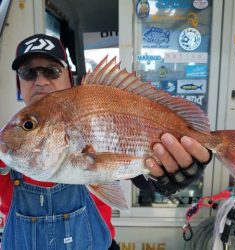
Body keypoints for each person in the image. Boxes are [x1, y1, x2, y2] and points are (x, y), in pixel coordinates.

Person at [0, 34, 211, 250]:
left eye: (52, 70)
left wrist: (168, 179)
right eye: (27, 72)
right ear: (19, 82)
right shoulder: (7, 145)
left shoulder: (91, 110)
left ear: (69, 77)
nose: (40, 81)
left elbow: (142, 176)